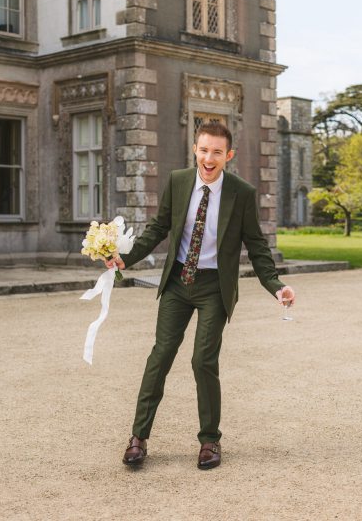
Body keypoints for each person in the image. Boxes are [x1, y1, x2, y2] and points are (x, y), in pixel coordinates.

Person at [107, 121, 295, 470]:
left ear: (228, 156)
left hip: (213, 287)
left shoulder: (242, 193)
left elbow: (256, 247)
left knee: (202, 360)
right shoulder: (179, 182)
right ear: (195, 149)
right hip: (178, 281)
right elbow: (157, 229)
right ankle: (138, 438)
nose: (209, 158)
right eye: (204, 149)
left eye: (217, 152)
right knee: (160, 355)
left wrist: (276, 285)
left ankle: (210, 441)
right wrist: (125, 257)